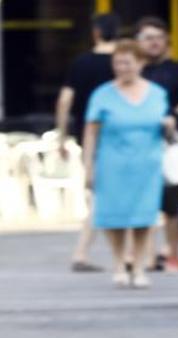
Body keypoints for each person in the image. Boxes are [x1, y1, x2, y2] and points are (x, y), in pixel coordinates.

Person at [82, 40, 172, 290]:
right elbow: (91, 133)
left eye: (127, 63)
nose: (122, 68)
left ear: (141, 63)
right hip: (112, 163)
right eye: (117, 63)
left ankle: (140, 265)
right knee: (114, 217)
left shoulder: (157, 94)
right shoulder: (101, 94)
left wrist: (170, 125)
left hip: (147, 164)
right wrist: (88, 166)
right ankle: (120, 263)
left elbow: (164, 124)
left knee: (144, 216)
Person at [56, 12, 120, 274]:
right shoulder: (124, 63)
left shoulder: (81, 63)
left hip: (89, 136)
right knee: (105, 196)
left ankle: (91, 252)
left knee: (100, 195)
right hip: (121, 136)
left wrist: (62, 135)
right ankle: (88, 252)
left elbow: (64, 101)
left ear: (95, 32)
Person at [137, 16, 178, 274]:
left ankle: (173, 254)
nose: (154, 43)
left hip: (173, 148)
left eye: (158, 38)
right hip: (140, 147)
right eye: (148, 38)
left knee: (173, 206)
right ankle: (148, 256)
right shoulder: (134, 72)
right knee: (144, 204)